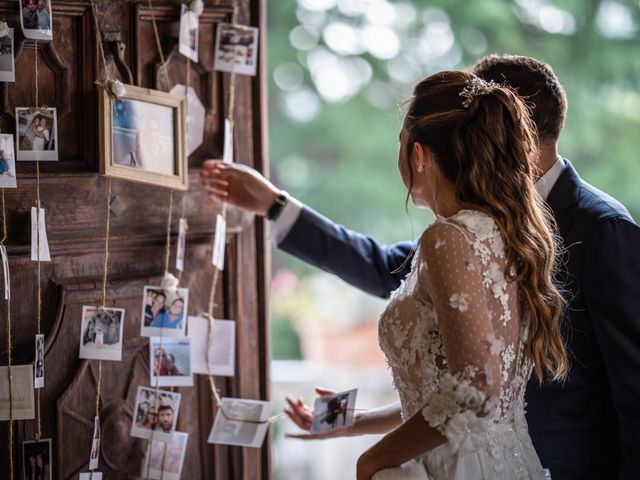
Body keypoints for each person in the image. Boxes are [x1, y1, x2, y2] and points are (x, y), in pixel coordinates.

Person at [200, 54, 640, 480]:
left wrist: (371, 460)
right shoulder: (480, 225)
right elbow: (388, 270)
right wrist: (277, 206)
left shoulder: (602, 229)